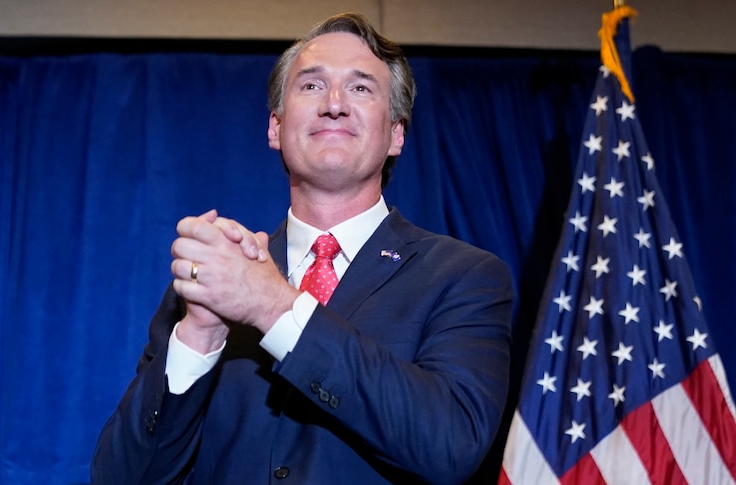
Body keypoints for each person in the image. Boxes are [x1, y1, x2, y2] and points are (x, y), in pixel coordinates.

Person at [91, 12, 513, 485]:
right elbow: (121, 478)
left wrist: (272, 306)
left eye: (360, 88)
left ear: (396, 134)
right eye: (311, 86)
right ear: (275, 128)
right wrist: (200, 335)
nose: (334, 104)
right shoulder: (210, 283)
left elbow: (451, 446)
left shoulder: (464, 277)